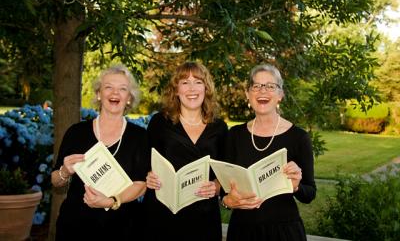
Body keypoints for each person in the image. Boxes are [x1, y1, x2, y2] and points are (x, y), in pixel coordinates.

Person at [51, 64, 149, 241]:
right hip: (75, 227)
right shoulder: (76, 132)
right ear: (98, 94)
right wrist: (64, 171)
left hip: (123, 228)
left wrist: (111, 201)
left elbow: (141, 185)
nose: (115, 93)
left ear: (129, 98)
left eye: (122, 89)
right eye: (108, 87)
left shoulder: (140, 137)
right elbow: (55, 181)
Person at [220, 63, 316, 241]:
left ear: (280, 95)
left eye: (270, 86)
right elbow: (223, 190)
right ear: (248, 94)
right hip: (242, 231)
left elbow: (309, 193)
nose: (262, 91)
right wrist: (227, 201)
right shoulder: (234, 135)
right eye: (256, 86)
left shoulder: (299, 137)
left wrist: (295, 185)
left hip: (284, 232)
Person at [144, 61, 228, 241]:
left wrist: (216, 187)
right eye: (185, 82)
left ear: (206, 88)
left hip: (204, 216)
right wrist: (148, 175)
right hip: (163, 213)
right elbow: (144, 162)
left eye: (198, 82)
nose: (192, 88)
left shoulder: (219, 128)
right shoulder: (159, 122)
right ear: (176, 90)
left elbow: (225, 172)